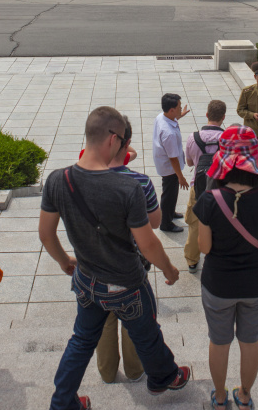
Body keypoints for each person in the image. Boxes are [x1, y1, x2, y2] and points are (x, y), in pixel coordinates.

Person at [39, 107, 190, 410]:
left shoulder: (58, 179)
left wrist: (65, 261)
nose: (125, 147)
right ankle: (163, 377)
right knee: (147, 333)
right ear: (112, 140)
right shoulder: (127, 188)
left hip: (85, 283)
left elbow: (45, 234)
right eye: (123, 141)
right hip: (125, 285)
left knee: (80, 341)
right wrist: (169, 269)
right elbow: (147, 244)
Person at [193, 126, 258, 410]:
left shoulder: (209, 199)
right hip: (255, 283)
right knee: (250, 342)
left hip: (218, 284)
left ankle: (219, 399)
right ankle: (244, 397)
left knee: (219, 342)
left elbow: (204, 247)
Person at [96, 115, 161, 384]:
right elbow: (155, 222)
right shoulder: (141, 182)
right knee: (135, 317)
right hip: (132, 265)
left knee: (104, 320)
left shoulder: (81, 178)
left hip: (97, 265)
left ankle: (107, 372)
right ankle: (135, 370)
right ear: (127, 142)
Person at [184, 100, 226, 272]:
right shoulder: (227, 139)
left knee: (194, 224)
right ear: (223, 117)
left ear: (207, 114)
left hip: (198, 187)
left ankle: (192, 260)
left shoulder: (192, 138)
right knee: (221, 223)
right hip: (221, 189)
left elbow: (188, 163)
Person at [152, 93, 190, 232]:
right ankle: (166, 224)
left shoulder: (161, 117)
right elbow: (173, 158)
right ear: (171, 110)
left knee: (171, 193)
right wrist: (180, 177)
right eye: (179, 107)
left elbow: (172, 118)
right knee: (169, 194)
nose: (181, 109)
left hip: (164, 163)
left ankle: (170, 212)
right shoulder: (169, 133)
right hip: (170, 168)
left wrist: (180, 115)